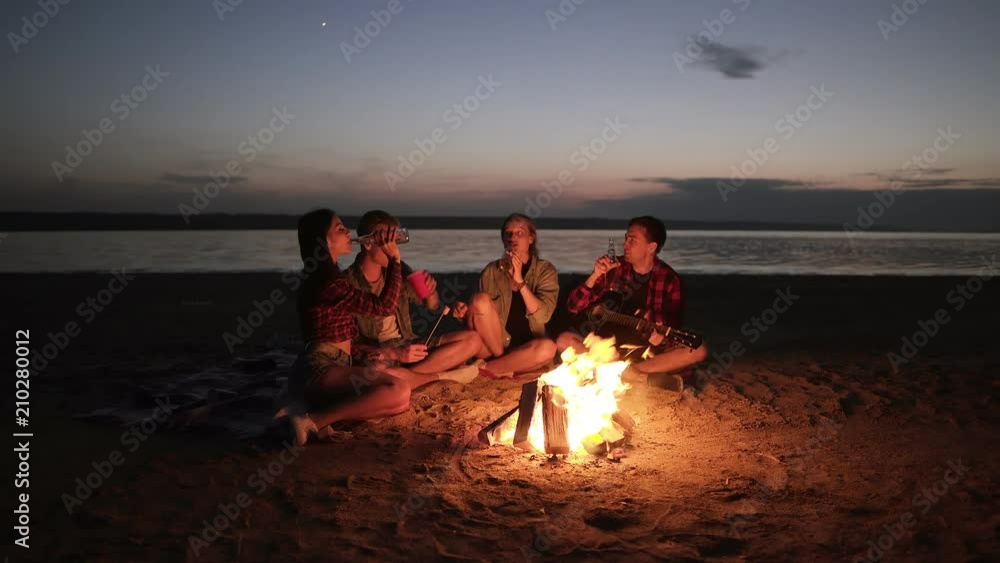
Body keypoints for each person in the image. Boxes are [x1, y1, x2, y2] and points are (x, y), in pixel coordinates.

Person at [286, 209, 478, 446]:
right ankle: (313, 421)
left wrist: (427, 290)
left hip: (343, 362)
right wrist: (395, 259)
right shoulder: (333, 284)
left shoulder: (342, 279)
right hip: (322, 365)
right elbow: (383, 307)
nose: (347, 231)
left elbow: (431, 303)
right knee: (396, 389)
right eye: (339, 228)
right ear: (324, 241)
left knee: (400, 401)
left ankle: (322, 418)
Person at [556, 216, 708, 392]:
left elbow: (671, 326)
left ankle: (627, 372)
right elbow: (574, 305)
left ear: (651, 247)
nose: (625, 244)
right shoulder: (614, 269)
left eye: (632, 240)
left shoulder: (669, 279)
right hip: (606, 349)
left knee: (698, 350)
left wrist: (661, 337)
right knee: (564, 340)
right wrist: (595, 275)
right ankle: (632, 376)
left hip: (644, 354)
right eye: (626, 238)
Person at [347, 210, 484, 379]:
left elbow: (432, 305)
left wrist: (430, 293)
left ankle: (410, 376)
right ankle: (428, 374)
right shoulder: (347, 282)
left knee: (473, 340)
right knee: (375, 369)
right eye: (387, 241)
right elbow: (349, 346)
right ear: (368, 243)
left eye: (395, 241)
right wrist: (394, 353)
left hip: (407, 344)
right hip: (380, 352)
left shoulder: (399, 269)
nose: (393, 249)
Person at [452, 213, 558, 376]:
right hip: (494, 348)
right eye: (508, 233)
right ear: (503, 240)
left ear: (531, 238)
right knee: (479, 299)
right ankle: (501, 365)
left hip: (527, 350)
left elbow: (543, 316)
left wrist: (520, 281)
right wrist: (463, 312)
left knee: (548, 348)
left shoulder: (545, 270)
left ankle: (486, 369)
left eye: (519, 233)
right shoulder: (491, 271)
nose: (512, 238)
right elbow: (478, 317)